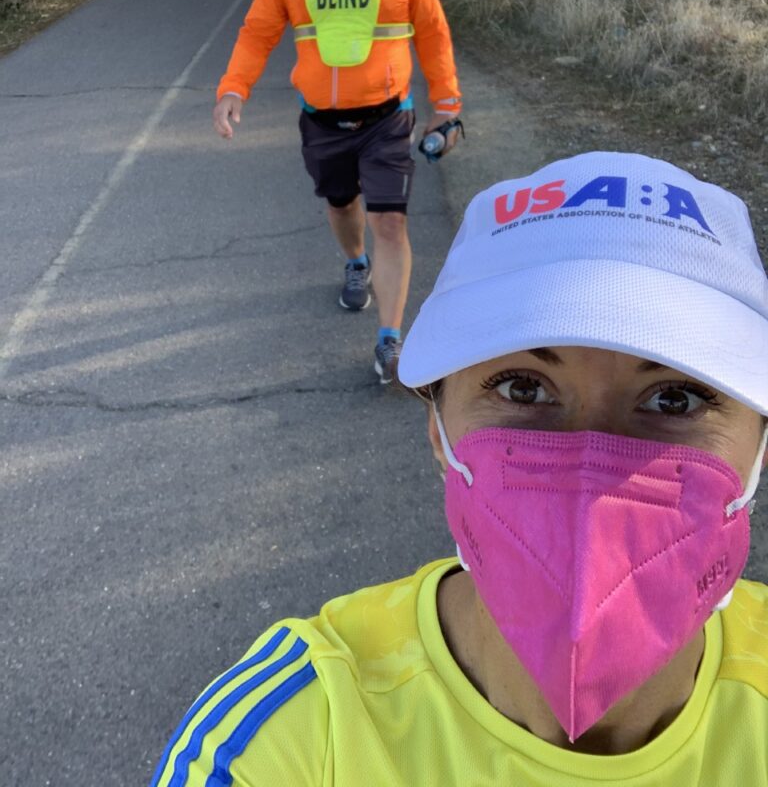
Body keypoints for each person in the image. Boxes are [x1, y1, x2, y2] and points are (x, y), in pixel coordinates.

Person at [150, 151, 768, 785]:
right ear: (437, 427)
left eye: (675, 399)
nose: (591, 484)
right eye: (523, 388)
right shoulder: (293, 737)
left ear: (761, 447)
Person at [213, 0, 463, 384]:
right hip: (323, 120)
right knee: (341, 204)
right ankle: (355, 264)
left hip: (389, 118)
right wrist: (234, 87)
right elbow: (258, 31)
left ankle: (391, 341)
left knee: (390, 223)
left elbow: (433, 31)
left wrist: (446, 105)